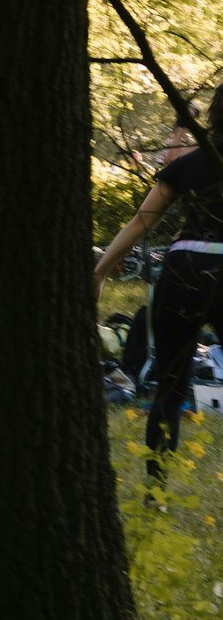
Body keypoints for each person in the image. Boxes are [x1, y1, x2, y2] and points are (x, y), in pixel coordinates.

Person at [95, 88, 223, 481]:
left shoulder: (190, 162)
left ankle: (156, 495)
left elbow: (142, 220)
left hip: (181, 270)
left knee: (169, 387)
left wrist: (100, 269)